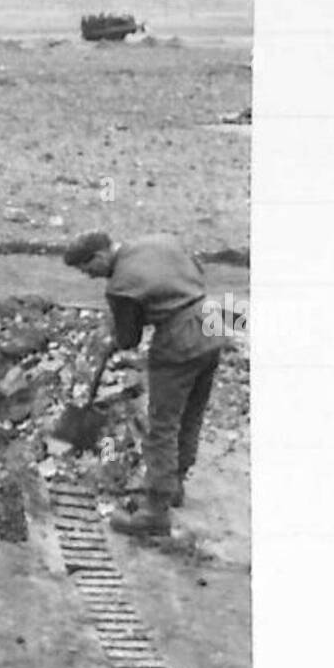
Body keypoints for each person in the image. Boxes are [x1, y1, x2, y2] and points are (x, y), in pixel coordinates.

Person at [63, 229, 228, 535]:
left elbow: (129, 340)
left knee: (161, 426)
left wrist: (115, 336)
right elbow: (194, 274)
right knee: (191, 413)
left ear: (99, 256)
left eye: (87, 270)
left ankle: (155, 511)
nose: (89, 277)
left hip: (180, 341)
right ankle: (174, 482)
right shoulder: (161, 240)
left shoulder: (120, 286)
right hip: (214, 321)